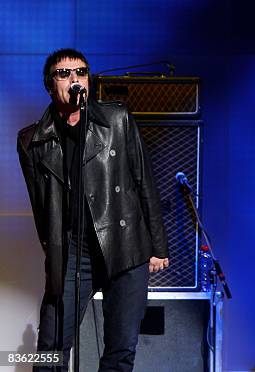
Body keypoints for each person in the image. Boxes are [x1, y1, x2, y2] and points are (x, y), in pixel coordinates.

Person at [17, 48, 169, 371]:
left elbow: (144, 180)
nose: (75, 79)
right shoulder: (32, 141)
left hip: (124, 244)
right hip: (75, 249)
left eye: (81, 72)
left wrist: (158, 246)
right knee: (49, 350)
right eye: (65, 74)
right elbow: (40, 206)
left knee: (121, 349)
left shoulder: (117, 119)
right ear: (49, 85)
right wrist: (56, 252)